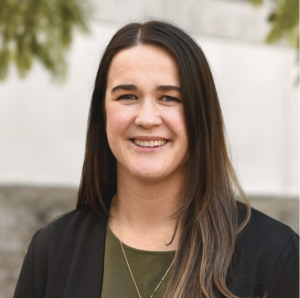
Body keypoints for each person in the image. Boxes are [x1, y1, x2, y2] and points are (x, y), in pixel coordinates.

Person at [14, 20, 298, 298]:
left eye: (169, 98)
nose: (147, 118)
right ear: (103, 113)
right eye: (127, 96)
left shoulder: (274, 255)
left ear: (201, 114)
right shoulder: (51, 250)